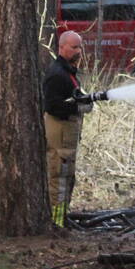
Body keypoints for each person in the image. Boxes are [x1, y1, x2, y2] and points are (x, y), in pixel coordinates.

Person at [42, 30, 94, 227]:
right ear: (61, 47)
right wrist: (77, 106)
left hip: (68, 140)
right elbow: (52, 106)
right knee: (59, 179)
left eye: (80, 47)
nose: (78, 51)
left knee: (67, 177)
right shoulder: (57, 74)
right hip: (60, 138)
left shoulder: (68, 73)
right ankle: (57, 223)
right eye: (74, 47)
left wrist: (84, 99)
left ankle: (63, 218)